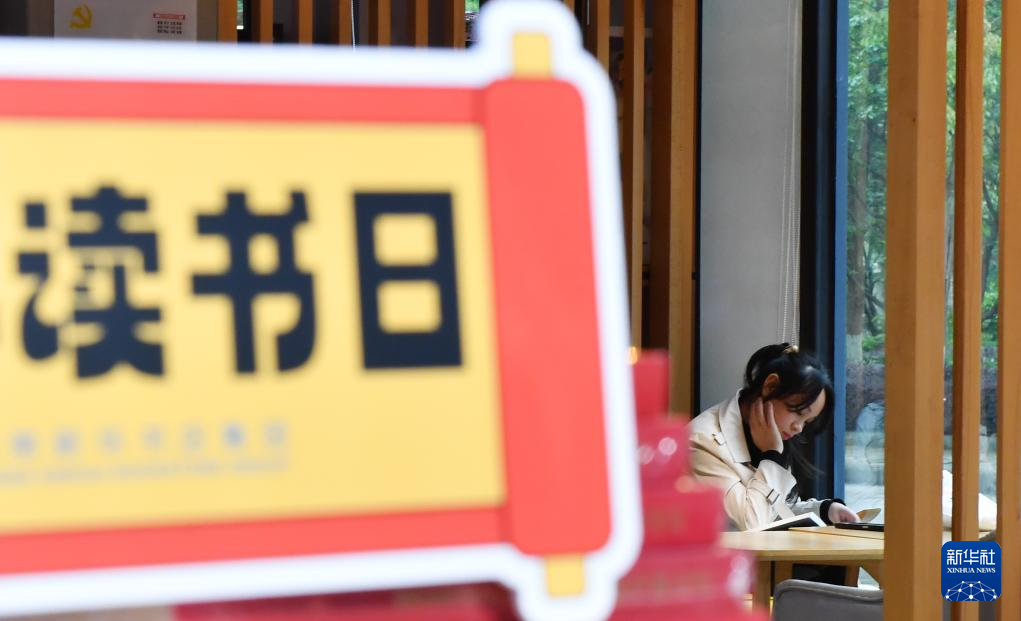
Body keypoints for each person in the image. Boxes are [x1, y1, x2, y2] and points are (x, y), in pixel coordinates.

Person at [689, 343, 860, 530]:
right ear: (770, 386)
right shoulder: (701, 440)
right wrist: (772, 456)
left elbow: (771, 508)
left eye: (807, 421)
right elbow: (751, 523)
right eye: (798, 412)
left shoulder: (773, 436)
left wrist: (824, 510)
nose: (798, 428)